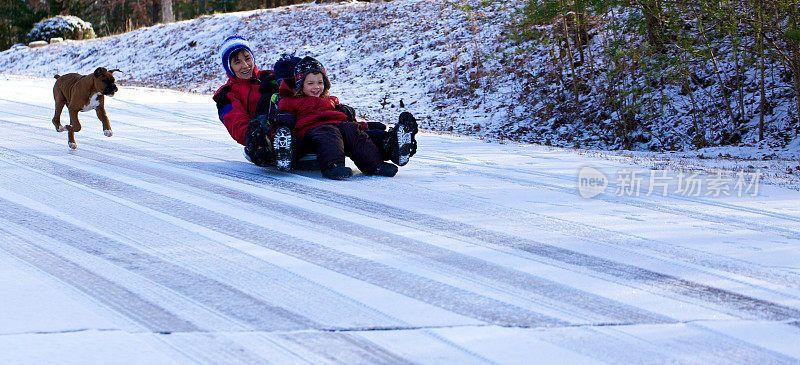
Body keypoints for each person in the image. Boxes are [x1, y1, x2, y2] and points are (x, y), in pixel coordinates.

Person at [278, 56, 417, 180]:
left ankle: (375, 165)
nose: (316, 87)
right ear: (300, 85)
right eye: (310, 83)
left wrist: (365, 126)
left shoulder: (331, 101)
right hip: (311, 131)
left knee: (352, 130)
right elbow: (282, 122)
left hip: (337, 127)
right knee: (329, 133)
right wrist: (282, 136)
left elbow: (347, 120)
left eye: (320, 83)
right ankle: (333, 166)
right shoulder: (291, 101)